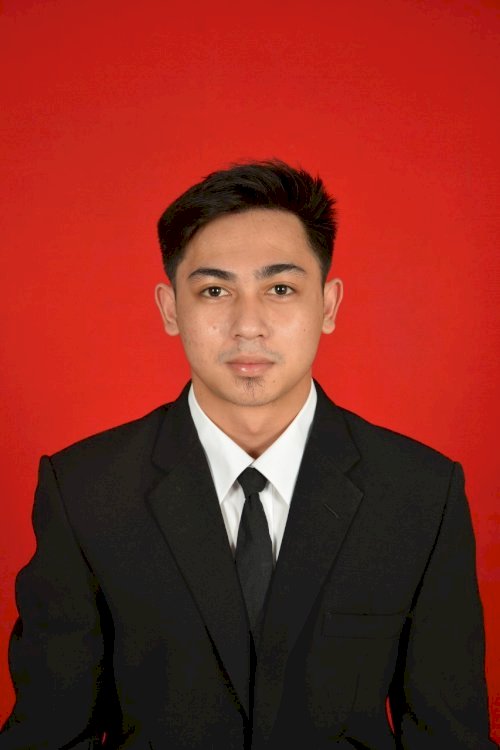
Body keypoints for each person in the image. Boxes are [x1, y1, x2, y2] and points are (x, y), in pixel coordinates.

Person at [0, 161, 496, 750]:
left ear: (329, 304)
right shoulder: (86, 491)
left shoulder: (420, 493)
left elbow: (450, 738)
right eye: (214, 291)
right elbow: (50, 736)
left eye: (280, 289)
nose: (248, 325)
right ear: (169, 308)